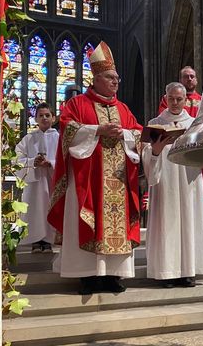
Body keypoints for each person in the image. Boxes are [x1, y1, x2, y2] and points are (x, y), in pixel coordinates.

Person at [48, 41, 142, 295]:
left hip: (118, 181)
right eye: (111, 78)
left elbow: (138, 134)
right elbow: (67, 129)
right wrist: (97, 130)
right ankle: (87, 276)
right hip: (88, 179)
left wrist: (126, 135)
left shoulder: (122, 109)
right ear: (97, 78)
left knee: (116, 225)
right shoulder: (77, 104)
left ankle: (113, 276)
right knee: (89, 221)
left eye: (117, 78)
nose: (116, 82)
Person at [142, 82, 203, 288]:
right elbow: (146, 153)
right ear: (165, 97)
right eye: (171, 98)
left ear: (185, 100)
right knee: (167, 223)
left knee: (189, 222)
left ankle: (187, 272)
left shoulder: (195, 123)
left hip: (188, 178)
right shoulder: (156, 123)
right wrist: (155, 149)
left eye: (179, 99)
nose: (174, 102)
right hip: (165, 179)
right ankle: (167, 272)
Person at [157, 66, 203, 225]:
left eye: (192, 76)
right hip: (173, 151)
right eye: (186, 76)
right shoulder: (168, 99)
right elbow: (164, 123)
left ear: (196, 79)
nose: (189, 79)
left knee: (196, 195)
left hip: (195, 150)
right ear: (180, 79)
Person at [15, 102, 59, 253]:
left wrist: (51, 164)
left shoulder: (59, 138)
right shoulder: (28, 139)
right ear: (35, 118)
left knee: (49, 208)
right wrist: (32, 162)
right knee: (35, 209)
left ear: (53, 118)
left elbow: (66, 160)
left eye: (48, 115)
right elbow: (17, 159)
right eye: (41, 115)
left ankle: (48, 240)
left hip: (52, 181)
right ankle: (36, 240)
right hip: (34, 183)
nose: (44, 118)